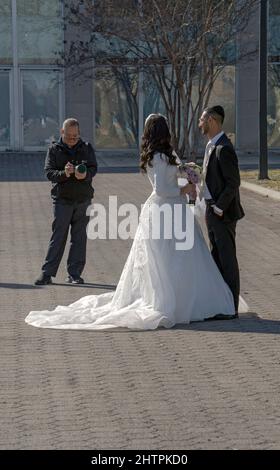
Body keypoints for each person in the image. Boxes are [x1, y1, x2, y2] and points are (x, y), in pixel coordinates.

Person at [26, 114, 236, 330]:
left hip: (175, 209)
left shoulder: (164, 154)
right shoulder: (157, 156)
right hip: (165, 209)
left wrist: (185, 173)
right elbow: (162, 190)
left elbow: (170, 177)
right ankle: (174, 301)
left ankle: (188, 300)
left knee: (180, 257)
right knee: (167, 259)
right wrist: (184, 188)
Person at [34, 118, 98, 286]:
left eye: (75, 136)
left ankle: (75, 274)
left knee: (79, 238)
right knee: (58, 236)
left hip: (83, 199)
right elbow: (48, 173)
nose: (72, 139)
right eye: (69, 136)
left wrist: (85, 175)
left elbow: (93, 168)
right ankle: (47, 273)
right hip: (62, 200)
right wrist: (64, 173)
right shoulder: (54, 150)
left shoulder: (86, 148)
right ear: (62, 133)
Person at [198, 106, 245, 316]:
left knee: (227, 260)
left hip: (222, 213)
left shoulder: (224, 148)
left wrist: (218, 207)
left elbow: (233, 182)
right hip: (211, 210)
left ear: (212, 121)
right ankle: (220, 304)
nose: (200, 123)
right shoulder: (211, 145)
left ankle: (231, 308)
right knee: (216, 258)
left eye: (202, 119)